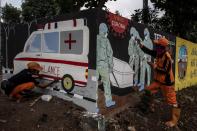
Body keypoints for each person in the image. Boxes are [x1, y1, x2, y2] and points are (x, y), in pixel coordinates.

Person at [137, 37, 181, 127]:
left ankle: (174, 121)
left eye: (157, 45)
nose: (156, 47)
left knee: (173, 102)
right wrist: (141, 45)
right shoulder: (158, 53)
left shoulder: (167, 58)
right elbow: (149, 51)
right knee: (148, 90)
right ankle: (150, 107)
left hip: (167, 84)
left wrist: (154, 66)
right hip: (158, 81)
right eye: (156, 45)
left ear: (162, 47)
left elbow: (165, 70)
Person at [97, 23, 115, 108]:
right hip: (103, 66)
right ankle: (108, 102)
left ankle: (94, 105)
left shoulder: (95, 39)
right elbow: (110, 54)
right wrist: (111, 66)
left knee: (94, 85)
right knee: (106, 84)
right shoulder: (106, 40)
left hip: (95, 66)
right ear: (105, 31)